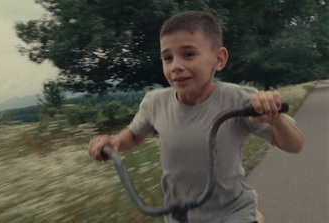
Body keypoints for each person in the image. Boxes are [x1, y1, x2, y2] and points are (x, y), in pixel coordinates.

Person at [88, 11, 303, 223]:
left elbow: (294, 144)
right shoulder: (154, 102)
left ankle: (253, 217)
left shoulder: (239, 100)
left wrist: (275, 119)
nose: (176, 66)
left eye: (188, 54)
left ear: (218, 59)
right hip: (180, 213)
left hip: (232, 211)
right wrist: (114, 144)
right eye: (167, 58)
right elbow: (135, 135)